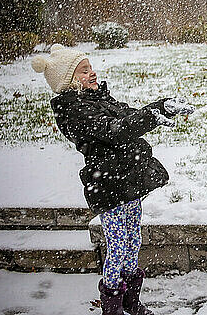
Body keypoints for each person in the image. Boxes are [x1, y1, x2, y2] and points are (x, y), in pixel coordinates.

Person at [31, 44, 194, 315]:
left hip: (128, 181)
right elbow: (115, 131)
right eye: (84, 71)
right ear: (69, 79)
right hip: (109, 186)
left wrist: (160, 107)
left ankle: (131, 300)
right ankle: (112, 305)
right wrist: (151, 116)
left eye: (91, 67)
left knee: (133, 241)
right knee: (117, 247)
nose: (92, 73)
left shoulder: (97, 98)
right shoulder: (75, 110)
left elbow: (128, 115)